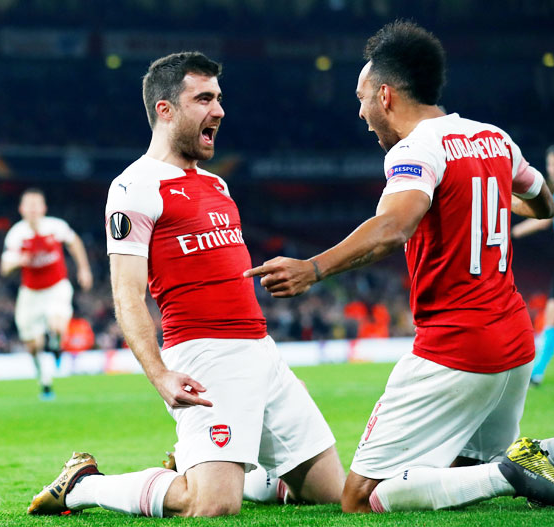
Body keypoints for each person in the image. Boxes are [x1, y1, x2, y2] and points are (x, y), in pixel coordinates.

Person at [245, 21, 554, 512]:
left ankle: (514, 471)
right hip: (512, 343)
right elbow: (545, 204)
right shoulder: (495, 138)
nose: (359, 112)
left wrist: (311, 269)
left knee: (361, 498)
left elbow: (394, 226)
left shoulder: (416, 148)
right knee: (458, 478)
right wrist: (478, 202)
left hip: (454, 346)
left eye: (360, 98)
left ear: (385, 95)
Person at [27, 52, 344, 518]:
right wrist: (159, 374)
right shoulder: (134, 187)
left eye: (219, 98)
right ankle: (83, 485)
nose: (218, 110)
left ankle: (213, 466)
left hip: (261, 351)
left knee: (335, 493)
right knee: (212, 506)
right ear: (165, 109)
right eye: (204, 99)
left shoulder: (217, 185)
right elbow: (127, 294)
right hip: (205, 354)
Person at [0, 188, 92, 399]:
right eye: (28, 206)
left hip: (56, 287)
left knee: (57, 324)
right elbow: (4, 267)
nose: (33, 209)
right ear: (21, 209)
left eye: (36, 205)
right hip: (31, 294)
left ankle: (56, 343)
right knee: (33, 345)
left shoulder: (55, 227)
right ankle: (45, 381)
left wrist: (84, 269)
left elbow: (74, 242)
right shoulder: (17, 233)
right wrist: (17, 261)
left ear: (43, 208)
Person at [512, 144, 554, 385]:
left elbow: (543, 218)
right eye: (551, 164)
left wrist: (512, 231)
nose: (553, 168)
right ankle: (537, 372)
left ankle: (537, 370)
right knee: (553, 313)